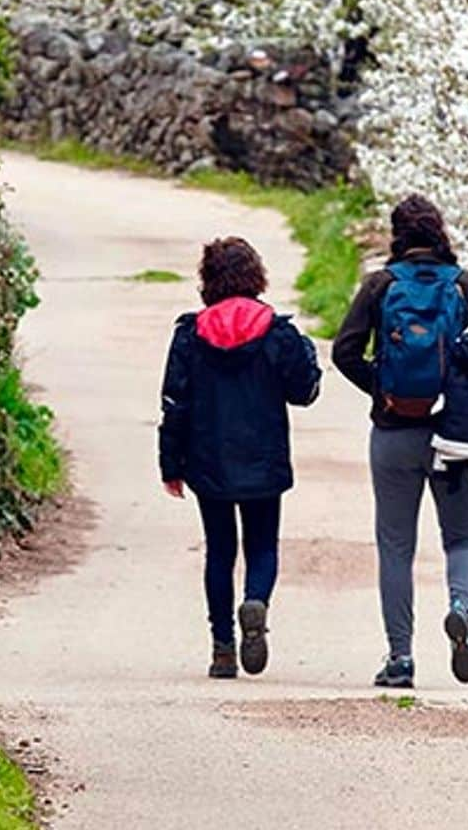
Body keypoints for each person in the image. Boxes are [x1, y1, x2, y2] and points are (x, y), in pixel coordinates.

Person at [333, 195, 468, 689]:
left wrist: (382, 389)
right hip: (454, 437)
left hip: (393, 432)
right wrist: (464, 396)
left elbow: (344, 352)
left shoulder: (380, 286)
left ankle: (400, 658)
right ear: (441, 231)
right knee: (464, 537)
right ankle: (460, 608)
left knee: (396, 547)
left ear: (396, 234)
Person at [160, 237, 322, 679]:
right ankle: (256, 602)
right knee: (262, 544)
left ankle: (222, 649)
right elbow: (303, 392)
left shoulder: (191, 335)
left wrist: (170, 465)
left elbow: (175, 402)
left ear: (207, 280)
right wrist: (306, 353)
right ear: (256, 276)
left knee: (220, 550)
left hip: (207, 459)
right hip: (263, 458)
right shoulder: (276, 331)